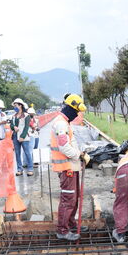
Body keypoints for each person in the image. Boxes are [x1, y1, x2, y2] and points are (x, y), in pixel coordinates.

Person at [50, 93, 89, 241]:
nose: (77, 115)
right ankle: (62, 230)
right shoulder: (61, 124)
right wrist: (79, 155)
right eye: (76, 112)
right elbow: (64, 147)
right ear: (71, 109)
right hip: (66, 169)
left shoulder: (65, 123)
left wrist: (80, 154)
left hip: (71, 167)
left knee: (74, 198)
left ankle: (71, 224)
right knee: (68, 200)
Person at [10, 98, 33, 176]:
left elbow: (26, 127)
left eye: (16, 105)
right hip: (15, 136)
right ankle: (19, 169)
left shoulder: (26, 116)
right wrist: (14, 127)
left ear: (20, 105)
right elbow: (11, 125)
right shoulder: (13, 116)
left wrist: (22, 137)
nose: (15, 107)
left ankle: (30, 168)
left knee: (27, 152)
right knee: (17, 153)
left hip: (24, 136)